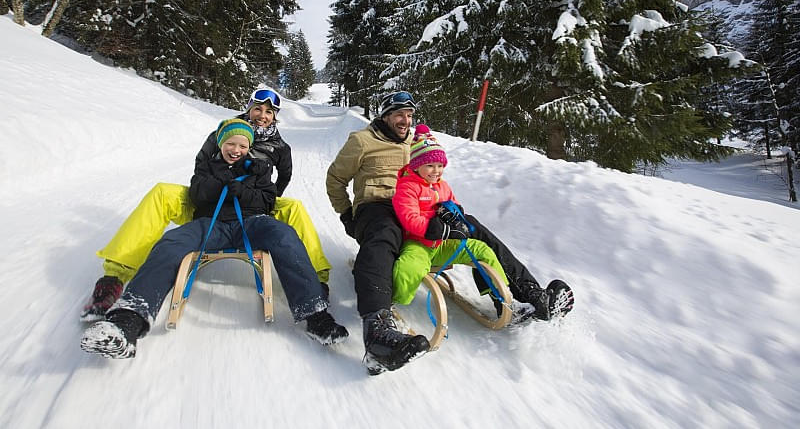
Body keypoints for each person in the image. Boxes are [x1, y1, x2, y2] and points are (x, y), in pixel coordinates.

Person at [326, 91, 574, 375]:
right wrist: (347, 215)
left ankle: (530, 293)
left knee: (473, 226)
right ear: (384, 116)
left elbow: (434, 173)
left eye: (409, 115)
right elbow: (335, 179)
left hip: (423, 206)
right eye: (398, 114)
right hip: (378, 205)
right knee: (383, 234)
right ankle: (377, 332)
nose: (405, 121)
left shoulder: (416, 142)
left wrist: (447, 211)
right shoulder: (362, 141)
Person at [81, 119, 348, 359]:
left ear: (249, 147)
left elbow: (268, 201)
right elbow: (197, 195)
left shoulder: (259, 168)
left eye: (242, 145)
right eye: (230, 143)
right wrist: (223, 178)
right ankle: (129, 320)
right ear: (220, 144)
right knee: (171, 243)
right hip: (211, 224)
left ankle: (315, 316)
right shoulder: (208, 166)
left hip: (252, 223)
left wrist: (244, 189)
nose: (236, 149)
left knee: (284, 236)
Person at [391, 124, 509, 307]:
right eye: (429, 165)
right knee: (409, 268)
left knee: (483, 250)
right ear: (416, 165)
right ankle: (394, 303)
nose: (436, 171)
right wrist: (438, 228)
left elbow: (455, 204)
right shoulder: (407, 187)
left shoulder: (443, 186)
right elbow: (410, 219)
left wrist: (456, 217)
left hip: (442, 246)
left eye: (439, 165)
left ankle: (500, 296)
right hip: (417, 244)